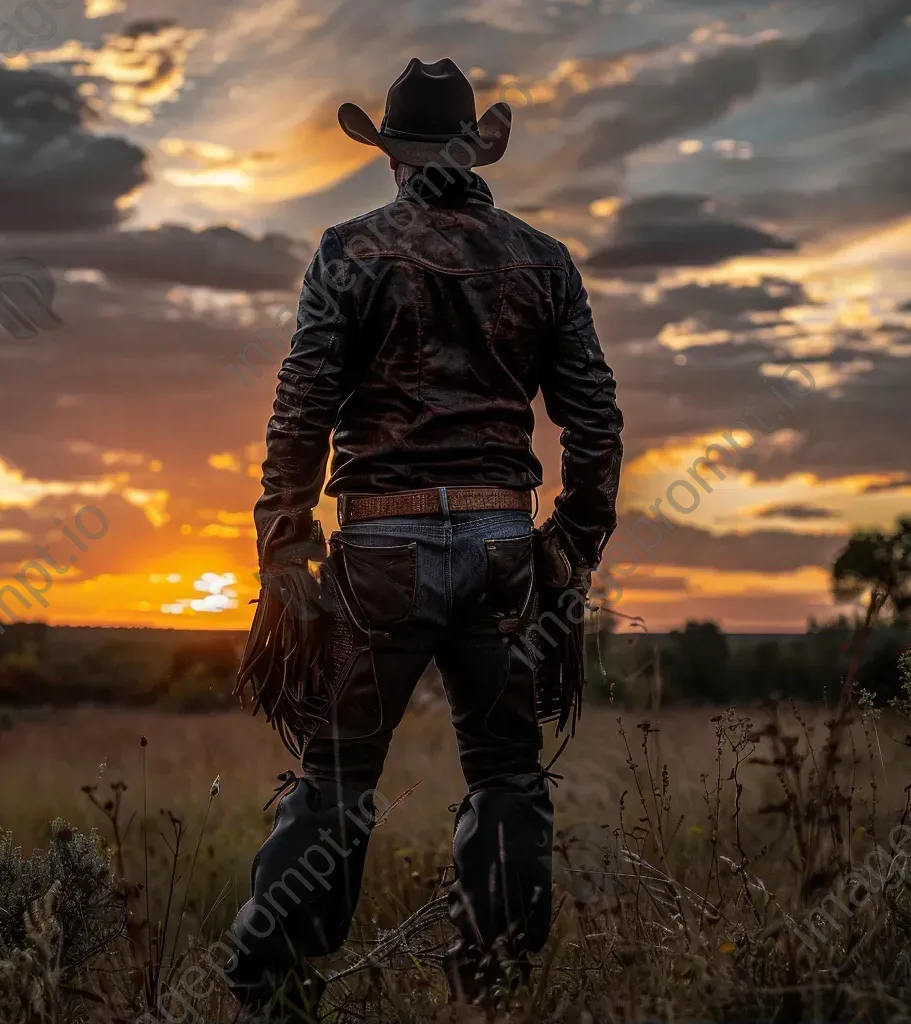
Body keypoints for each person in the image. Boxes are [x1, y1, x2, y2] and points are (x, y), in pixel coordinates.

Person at [227, 57, 624, 1022]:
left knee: (333, 777)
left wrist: (285, 543)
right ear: (475, 154)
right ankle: (487, 991)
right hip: (501, 549)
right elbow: (595, 422)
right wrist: (569, 545)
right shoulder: (543, 257)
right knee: (506, 774)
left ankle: (270, 994)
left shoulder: (349, 251)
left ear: (393, 159)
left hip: (380, 552)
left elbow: (301, 408)